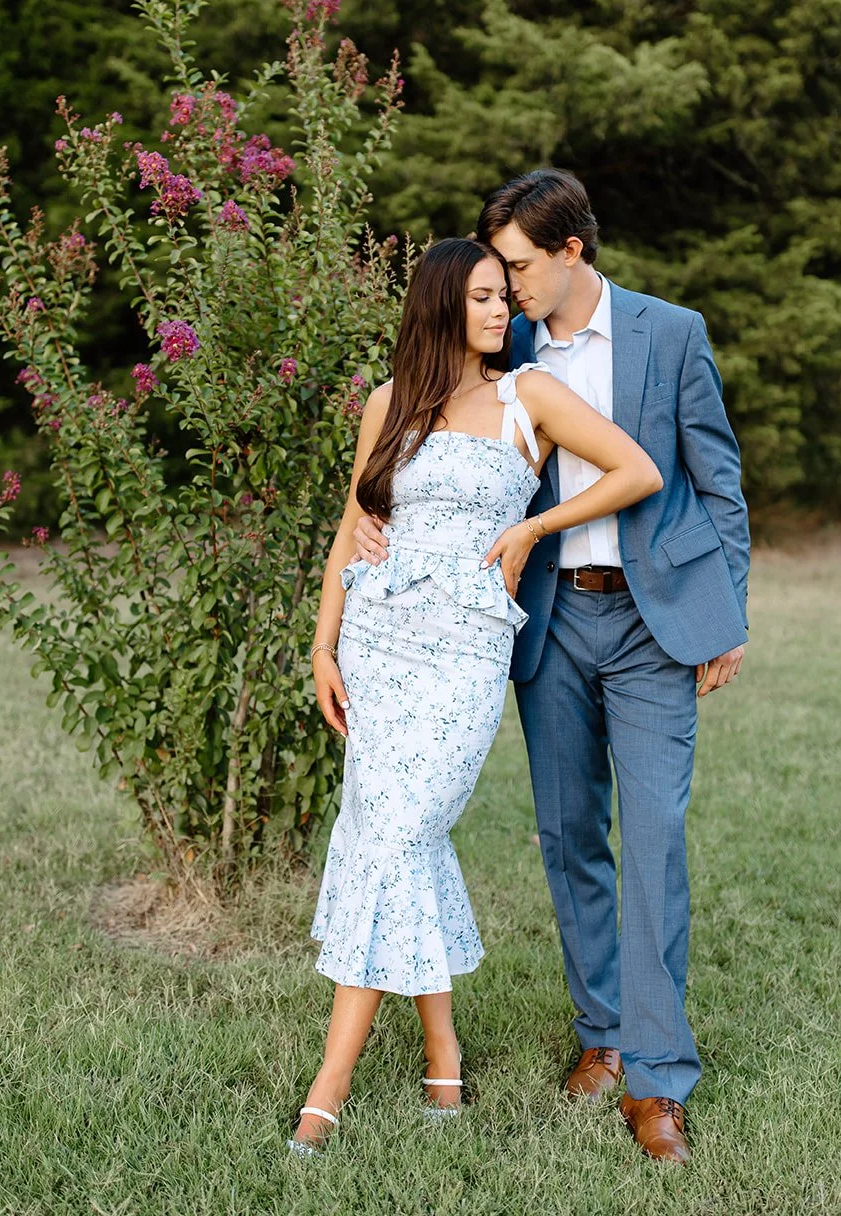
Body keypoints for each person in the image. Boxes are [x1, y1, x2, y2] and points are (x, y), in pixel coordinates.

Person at [353, 171, 749, 1165]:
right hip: (544, 625)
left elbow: (717, 479)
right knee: (568, 832)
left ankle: (658, 1081)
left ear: (573, 251)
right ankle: (602, 1035)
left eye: (520, 265)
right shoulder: (510, 345)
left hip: (655, 621)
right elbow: (428, 443)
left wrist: (722, 613)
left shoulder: (670, 333)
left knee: (653, 834)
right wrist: (370, 520)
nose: (506, 284)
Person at [289, 236, 663, 1156]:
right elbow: (355, 525)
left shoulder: (524, 396)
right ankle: (442, 1049)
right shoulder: (391, 404)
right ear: (441, 305)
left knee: (403, 831)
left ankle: (329, 1080)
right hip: (378, 646)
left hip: (463, 653)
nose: (505, 313)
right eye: (486, 299)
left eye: (507, 296)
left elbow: (635, 470)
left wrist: (535, 524)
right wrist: (323, 641)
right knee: (390, 835)